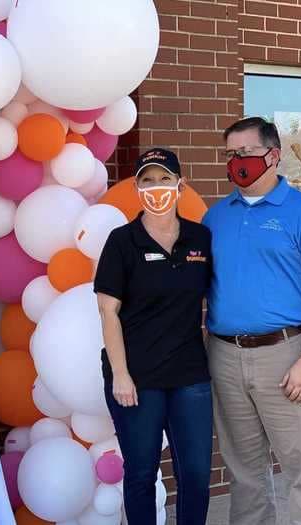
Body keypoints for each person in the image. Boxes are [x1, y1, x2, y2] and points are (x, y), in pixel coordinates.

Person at [203, 117, 301, 525]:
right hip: (225, 356)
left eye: (245, 153)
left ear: (273, 156)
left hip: (288, 355)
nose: (237, 162)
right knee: (244, 473)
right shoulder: (215, 218)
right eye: (230, 155)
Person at [95, 148, 213, 525]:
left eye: (165, 179)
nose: (157, 187)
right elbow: (107, 311)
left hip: (189, 375)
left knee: (194, 474)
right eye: (148, 180)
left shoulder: (201, 238)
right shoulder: (121, 241)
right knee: (142, 473)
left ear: (180, 185)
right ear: (137, 187)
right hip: (137, 378)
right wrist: (121, 374)